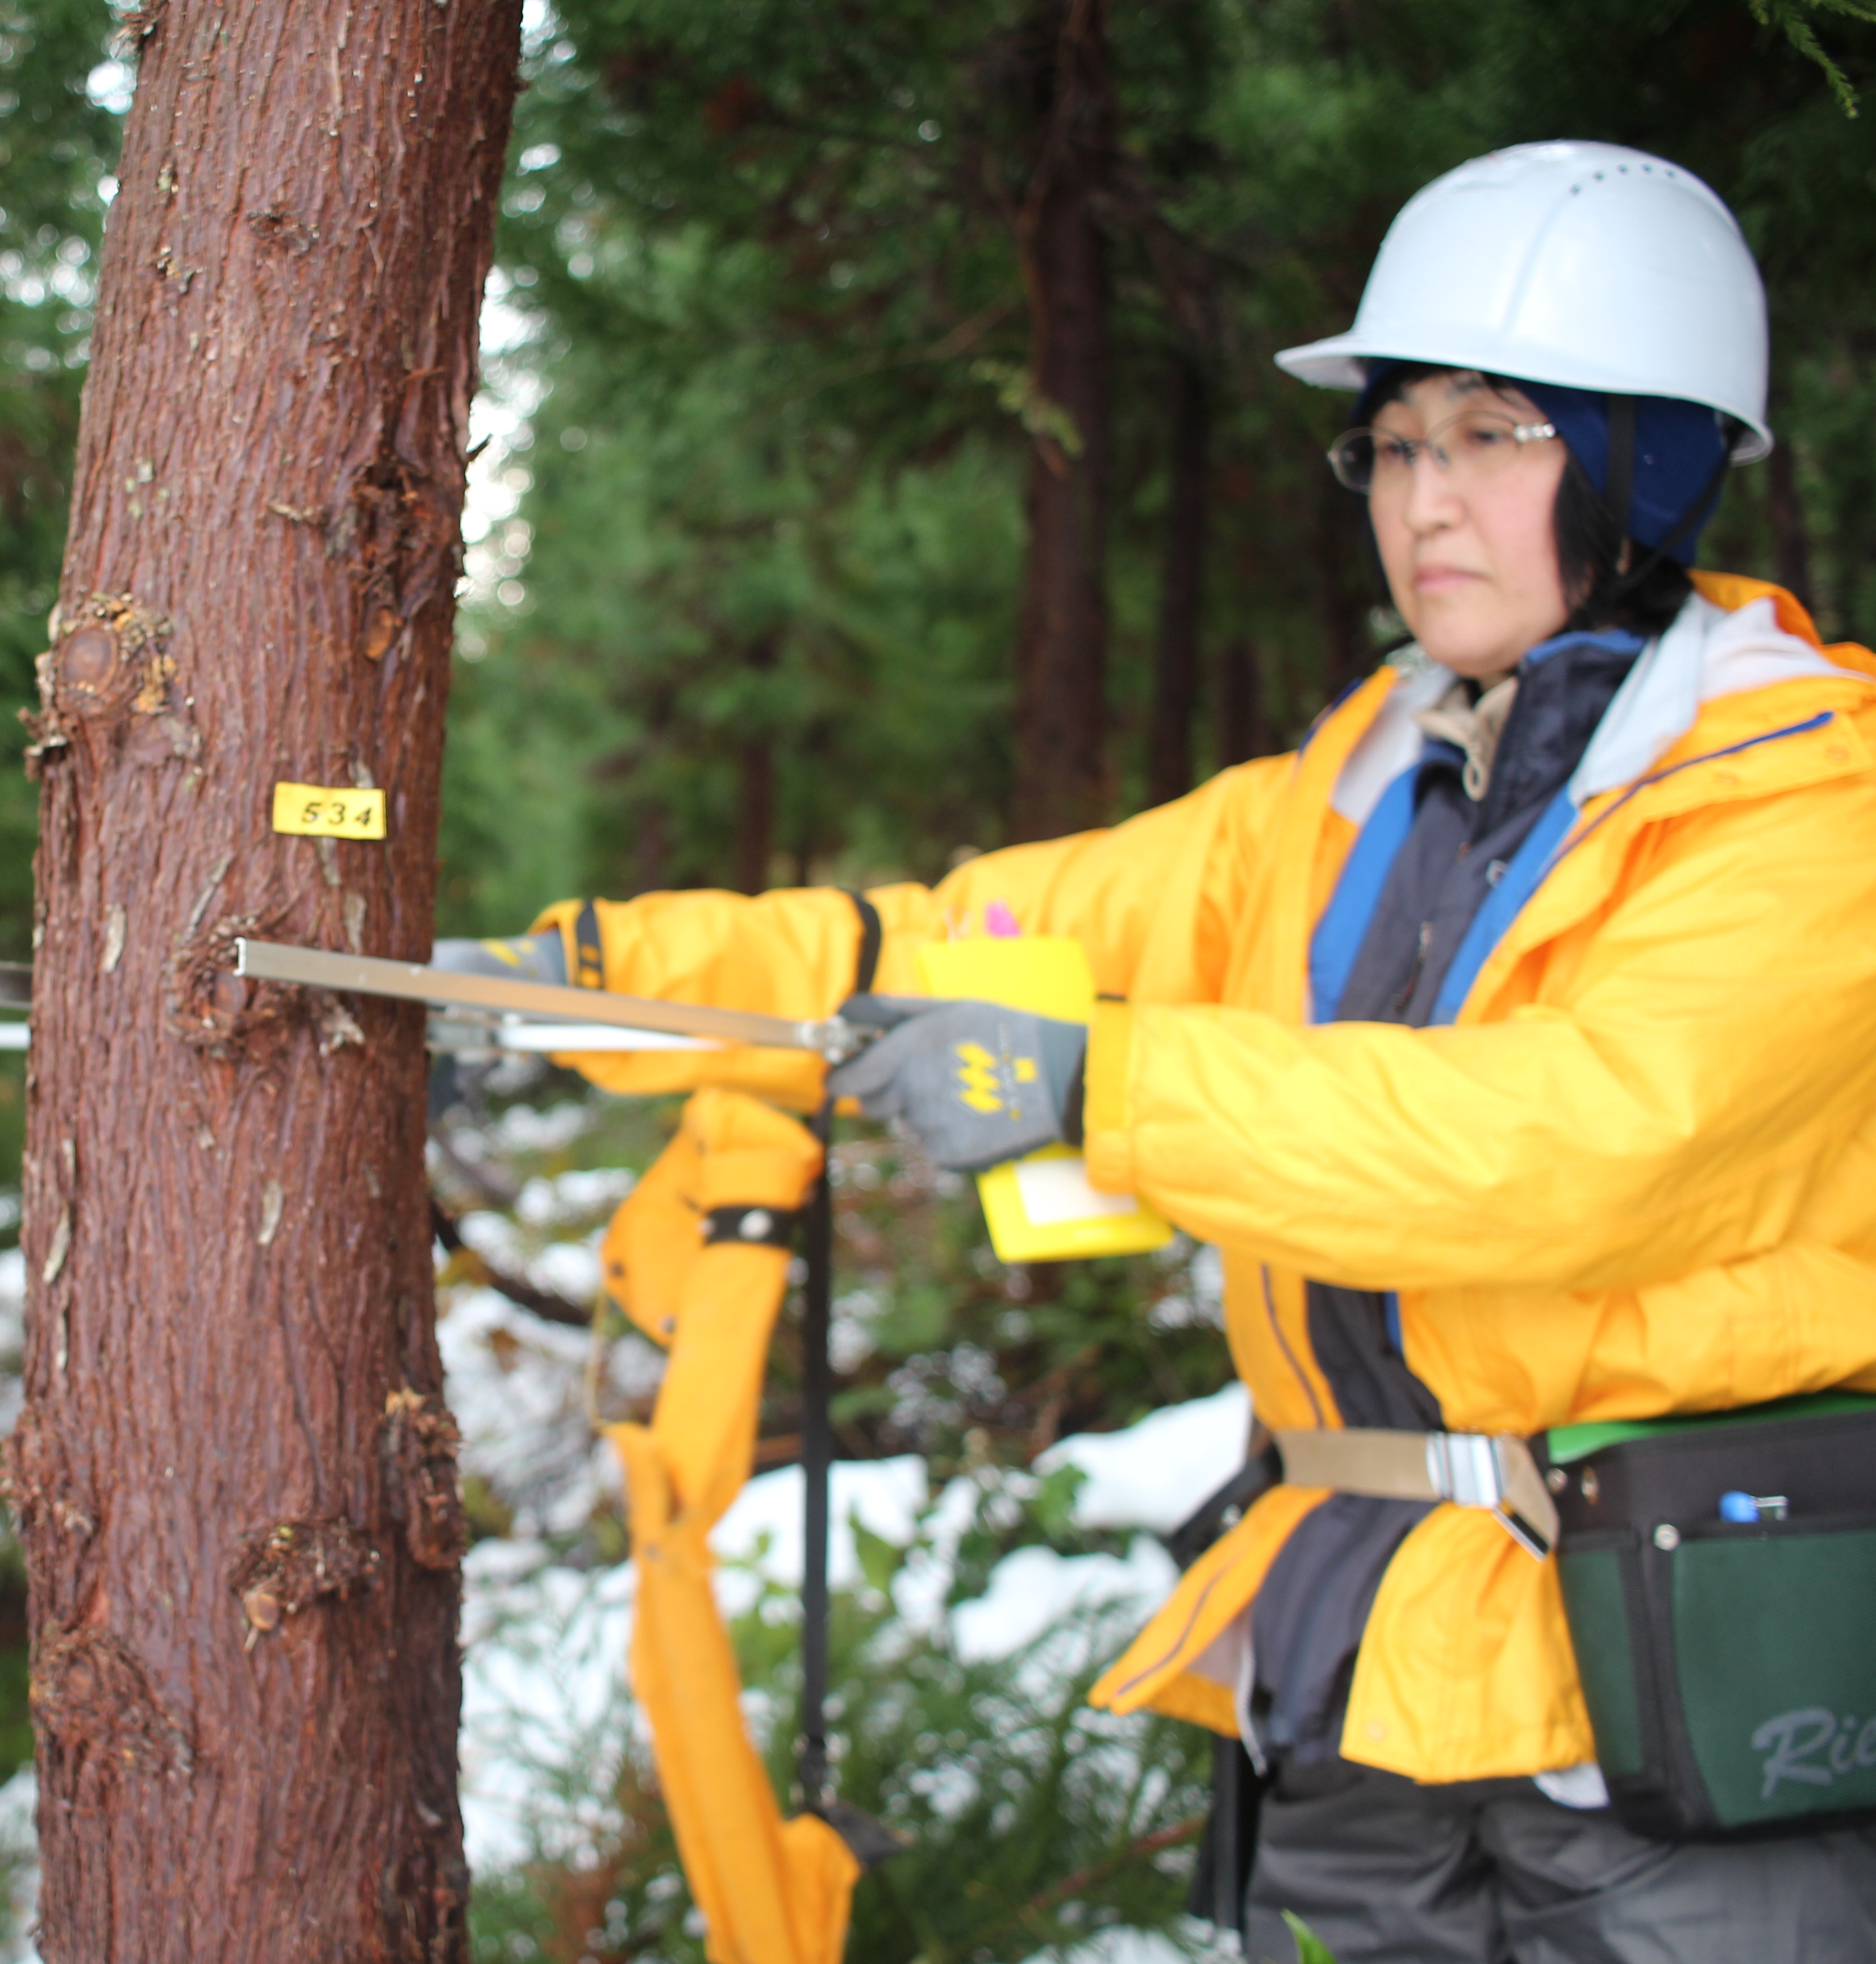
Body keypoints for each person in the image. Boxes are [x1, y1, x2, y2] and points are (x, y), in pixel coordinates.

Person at [443, 142, 1876, 1960]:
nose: (1426, 500)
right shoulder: (1358, 786)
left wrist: (1096, 1082)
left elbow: (1569, 1146)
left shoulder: (1811, 806)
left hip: (1666, 1689)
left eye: (1496, 435)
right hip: (1360, 1659)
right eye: (1400, 442)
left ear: (1648, 456)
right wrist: (578, 983)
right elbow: (956, 937)